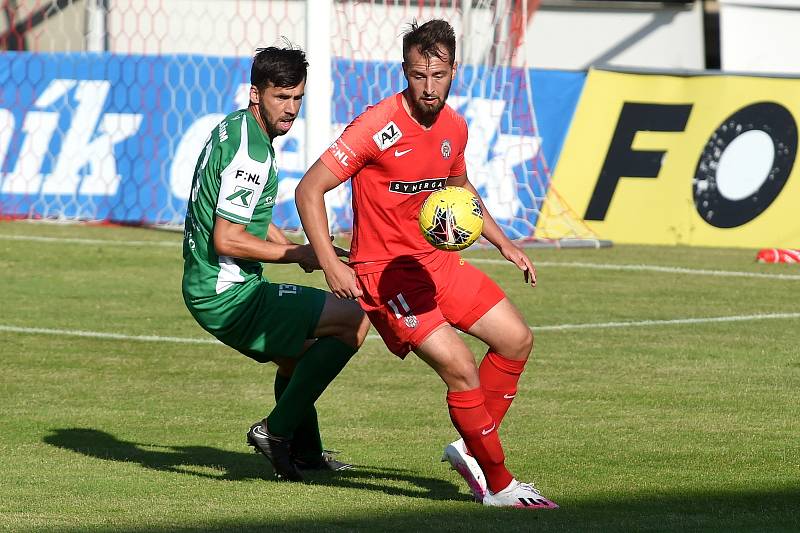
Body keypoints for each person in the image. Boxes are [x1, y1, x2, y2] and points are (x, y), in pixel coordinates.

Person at [295, 20, 558, 509]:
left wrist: (503, 242)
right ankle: (499, 485)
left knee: (516, 339)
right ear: (405, 70)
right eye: (419, 75)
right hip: (386, 274)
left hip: (435, 264)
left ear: (454, 70)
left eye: (438, 75)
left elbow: (460, 188)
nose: (429, 86)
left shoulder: (455, 126)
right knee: (461, 369)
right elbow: (308, 189)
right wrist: (332, 264)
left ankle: (470, 446)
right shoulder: (377, 125)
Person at [181, 46, 370, 482]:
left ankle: (305, 454)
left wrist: (295, 249)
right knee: (353, 320)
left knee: (299, 357)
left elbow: (242, 218)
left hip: (209, 289)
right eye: (281, 97)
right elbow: (227, 237)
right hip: (227, 294)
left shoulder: (236, 128)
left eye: (297, 98)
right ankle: (275, 432)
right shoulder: (253, 153)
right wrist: (302, 253)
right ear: (255, 93)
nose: (290, 109)